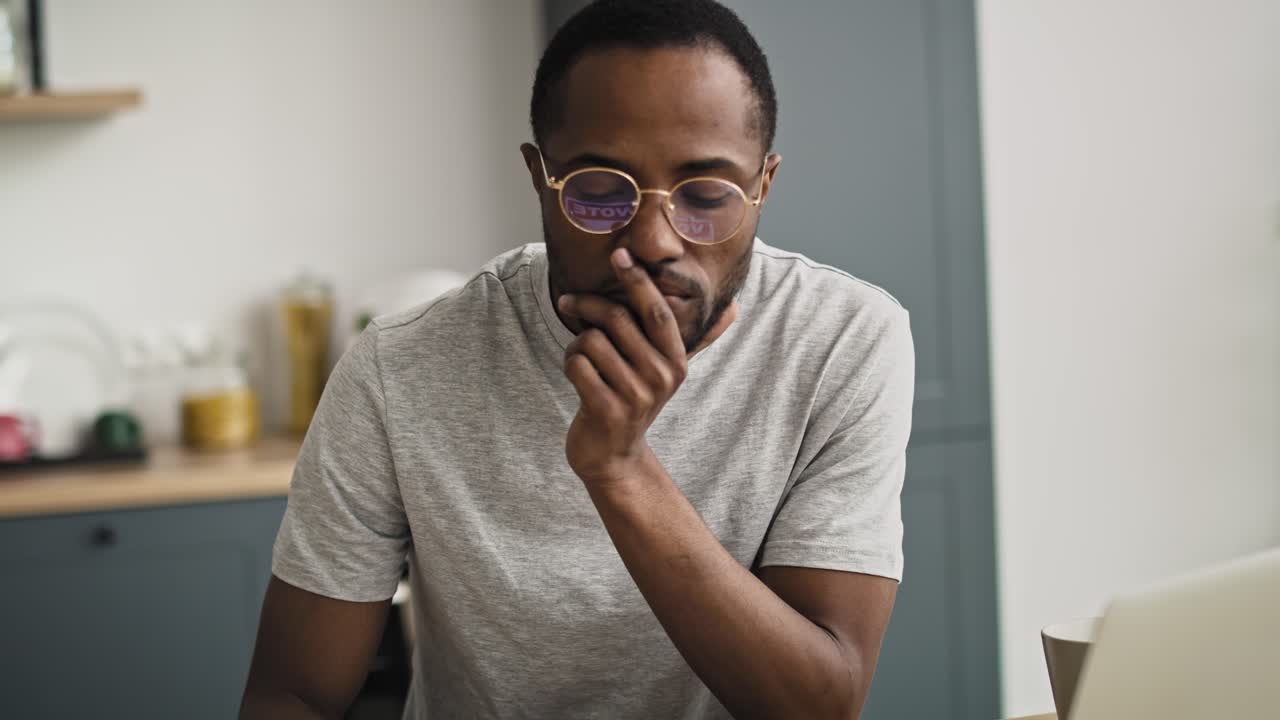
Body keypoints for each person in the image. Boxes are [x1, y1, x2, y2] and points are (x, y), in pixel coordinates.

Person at [240, 1, 914, 718]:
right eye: (600, 192)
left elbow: (821, 704)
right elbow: (293, 693)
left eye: (707, 196)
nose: (655, 240)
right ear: (540, 177)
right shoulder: (399, 368)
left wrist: (621, 469)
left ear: (762, 186)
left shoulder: (842, 339)